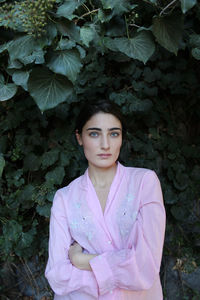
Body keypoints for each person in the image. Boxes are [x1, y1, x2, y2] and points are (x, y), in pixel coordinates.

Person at [45, 100, 166, 300]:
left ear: (121, 138)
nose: (105, 144)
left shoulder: (144, 182)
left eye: (113, 133)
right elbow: (57, 276)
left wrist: (81, 260)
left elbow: (145, 267)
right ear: (79, 137)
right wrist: (122, 269)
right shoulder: (64, 198)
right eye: (94, 133)